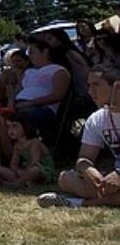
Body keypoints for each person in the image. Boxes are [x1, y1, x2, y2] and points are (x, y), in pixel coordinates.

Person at [39, 65, 120, 208]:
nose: (90, 91)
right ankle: (110, 198)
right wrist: (87, 169)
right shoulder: (97, 119)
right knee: (66, 178)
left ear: (116, 87)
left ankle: (80, 203)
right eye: (89, 85)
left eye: (96, 85)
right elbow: (84, 158)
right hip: (113, 180)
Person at [10, 35, 71, 147]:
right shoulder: (28, 72)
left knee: (22, 118)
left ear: (45, 52)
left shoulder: (58, 70)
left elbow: (58, 95)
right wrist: (11, 104)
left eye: (32, 52)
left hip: (43, 108)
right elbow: (16, 92)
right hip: (20, 106)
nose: (29, 56)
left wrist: (30, 103)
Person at [0, 113, 54, 188]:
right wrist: (17, 170)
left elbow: (35, 162)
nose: (11, 130)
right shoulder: (17, 145)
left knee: (34, 170)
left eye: (15, 126)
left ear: (25, 126)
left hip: (42, 170)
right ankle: (26, 182)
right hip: (26, 171)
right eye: (8, 127)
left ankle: (17, 184)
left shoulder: (34, 142)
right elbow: (13, 164)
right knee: (1, 169)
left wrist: (23, 172)